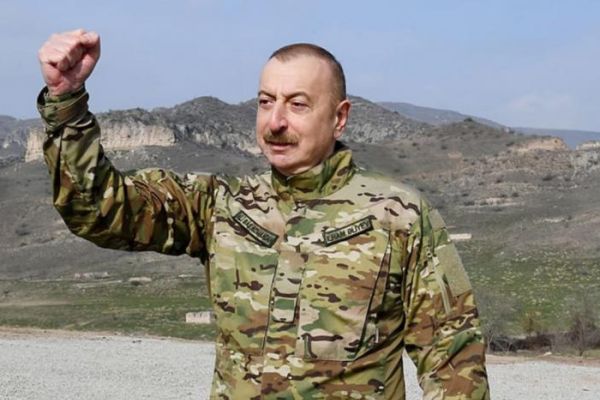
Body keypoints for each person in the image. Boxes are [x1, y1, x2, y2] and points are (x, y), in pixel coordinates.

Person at [37, 29, 490, 399]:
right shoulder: (220, 205)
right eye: (266, 101)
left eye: (297, 104)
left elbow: (452, 357)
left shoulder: (398, 215)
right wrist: (67, 100)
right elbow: (98, 210)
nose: (275, 121)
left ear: (339, 117)